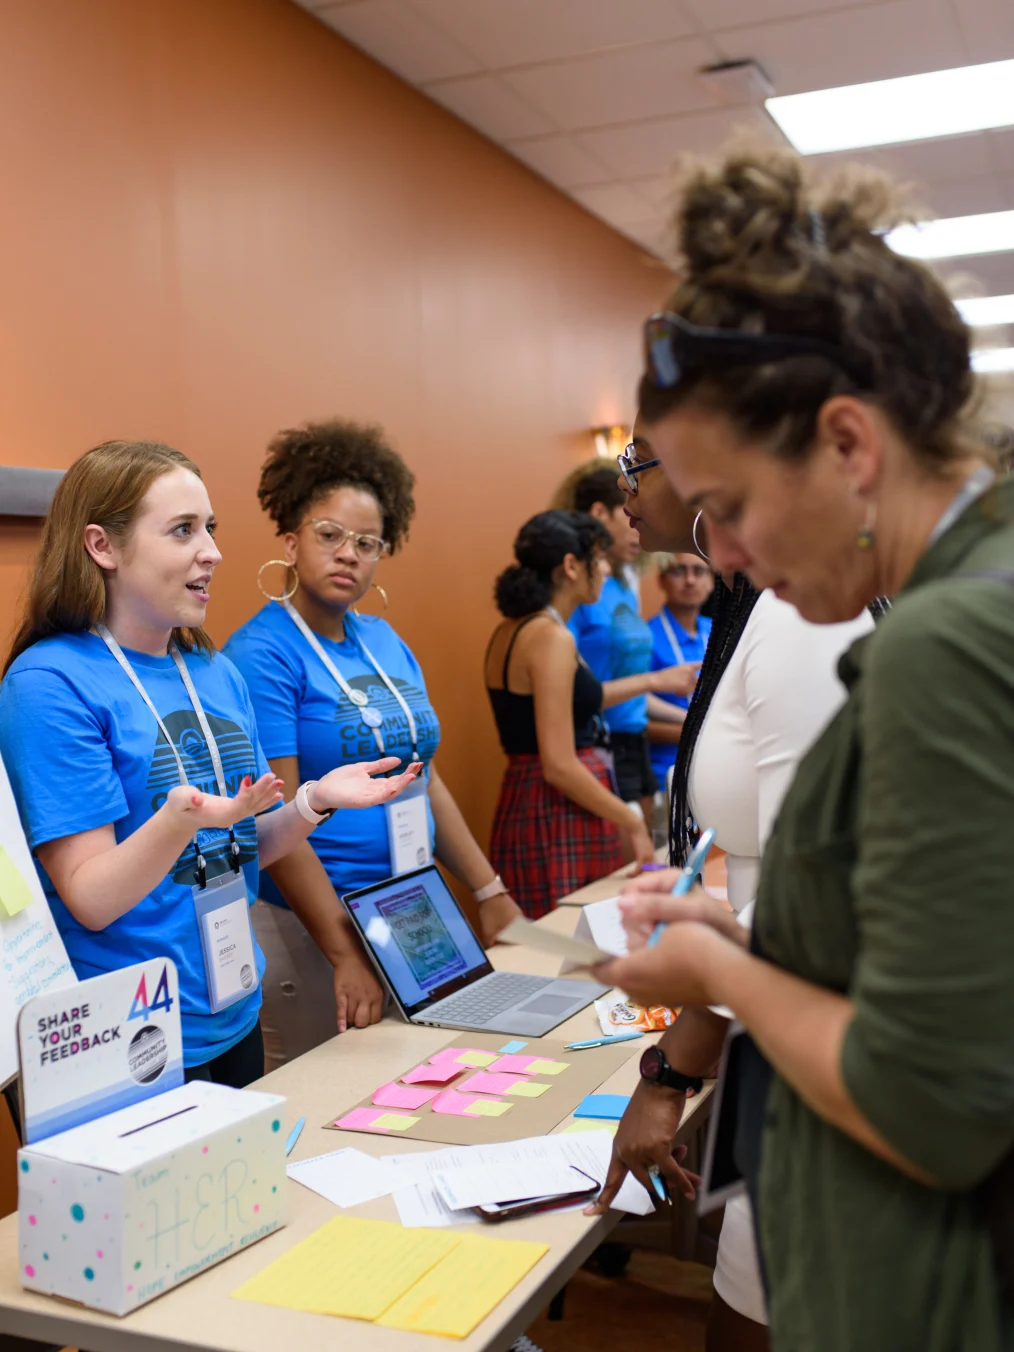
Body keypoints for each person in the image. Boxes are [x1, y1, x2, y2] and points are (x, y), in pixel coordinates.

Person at [594, 144, 1014, 1352]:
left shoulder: (945, 643)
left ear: (847, 445)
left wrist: (716, 978)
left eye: (727, 502)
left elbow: (934, 1099)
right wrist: (749, 942)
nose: (717, 552)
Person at [0, 440, 419, 1086]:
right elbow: (89, 897)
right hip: (124, 1041)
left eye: (211, 529)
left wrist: (314, 801)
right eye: (182, 531)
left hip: (233, 1010)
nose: (213, 552)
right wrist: (179, 820)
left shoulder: (213, 672)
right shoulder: (50, 683)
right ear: (102, 547)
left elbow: (245, 842)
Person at [594, 423, 871, 1351]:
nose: (622, 483)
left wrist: (670, 1072)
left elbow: (809, 898)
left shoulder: (795, 616)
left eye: (637, 461)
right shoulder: (759, 604)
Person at [224, 419, 522, 1068]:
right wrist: (341, 952)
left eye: (368, 542)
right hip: (313, 926)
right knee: (329, 1110)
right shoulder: (261, 654)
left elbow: (426, 778)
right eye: (329, 535)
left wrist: (488, 887)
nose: (348, 553)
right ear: (290, 540)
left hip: (408, 907)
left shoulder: (385, 641)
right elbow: (275, 814)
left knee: (422, 1089)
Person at [484, 510, 698, 919]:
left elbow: (585, 702)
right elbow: (559, 765)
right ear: (570, 567)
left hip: (534, 802)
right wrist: (631, 820)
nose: (604, 569)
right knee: (572, 945)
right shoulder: (550, 636)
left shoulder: (513, 629)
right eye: (598, 559)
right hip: (556, 810)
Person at [554, 465, 687, 823]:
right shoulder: (581, 591)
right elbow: (576, 691)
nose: (636, 523)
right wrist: (656, 680)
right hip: (597, 746)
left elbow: (633, 688)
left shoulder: (624, 587)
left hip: (635, 743)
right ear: (598, 513)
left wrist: (692, 716)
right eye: (625, 511)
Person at [645, 551, 714, 793]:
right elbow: (635, 721)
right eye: (678, 571)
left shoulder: (719, 633)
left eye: (699, 571)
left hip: (716, 770)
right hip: (667, 775)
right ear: (661, 580)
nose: (690, 580)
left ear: (711, 581)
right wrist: (702, 734)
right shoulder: (646, 637)